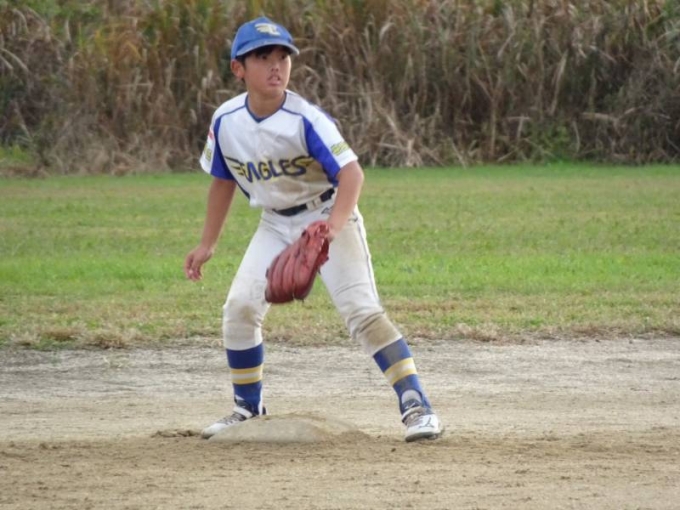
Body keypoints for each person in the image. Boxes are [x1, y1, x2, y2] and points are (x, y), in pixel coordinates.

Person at [184, 16, 442, 442]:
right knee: (239, 307)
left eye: (283, 56)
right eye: (262, 57)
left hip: (326, 213)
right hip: (274, 223)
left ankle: (417, 405)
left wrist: (332, 227)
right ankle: (247, 408)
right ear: (238, 68)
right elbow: (222, 179)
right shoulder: (226, 120)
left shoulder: (304, 118)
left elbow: (352, 173)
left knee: (361, 311)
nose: (276, 65)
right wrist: (207, 243)